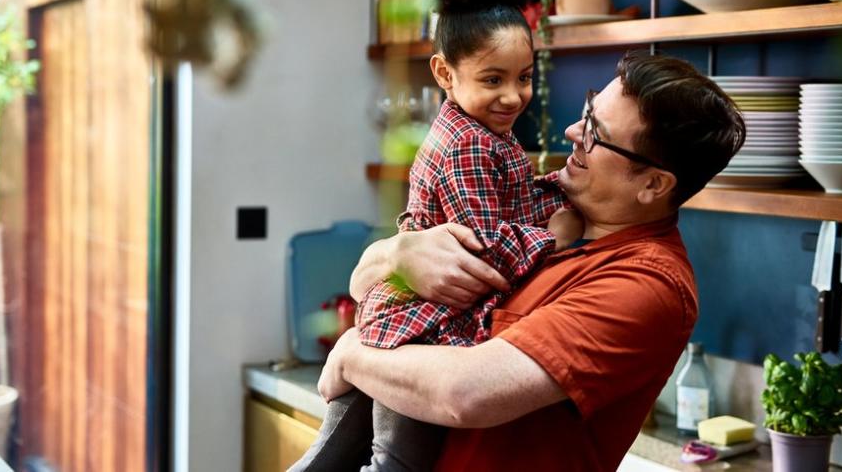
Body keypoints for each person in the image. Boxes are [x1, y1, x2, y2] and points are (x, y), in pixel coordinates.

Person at [317, 52, 747, 471]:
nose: (573, 131)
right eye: (587, 110)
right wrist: (394, 253)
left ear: (653, 184)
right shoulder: (539, 203)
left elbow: (464, 394)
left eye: (597, 132)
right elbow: (362, 283)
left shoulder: (646, 284)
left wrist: (351, 354)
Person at [291, 0, 582, 471]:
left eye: (524, 78)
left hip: (398, 326)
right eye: (492, 79)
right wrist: (555, 234)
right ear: (444, 74)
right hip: (418, 335)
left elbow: (507, 206)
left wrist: (555, 188)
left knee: (329, 461)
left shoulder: (488, 135)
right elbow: (485, 249)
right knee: (393, 466)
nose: (514, 96)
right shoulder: (471, 144)